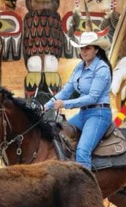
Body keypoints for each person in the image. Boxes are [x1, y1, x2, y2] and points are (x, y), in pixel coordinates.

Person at [44, 31, 113, 169]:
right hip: (83, 114)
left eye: (88, 48)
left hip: (99, 114)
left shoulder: (102, 68)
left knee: (82, 151)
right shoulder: (79, 67)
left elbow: (93, 97)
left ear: (96, 49)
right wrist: (46, 105)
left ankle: (85, 187)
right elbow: (66, 90)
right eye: (82, 48)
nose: (84, 51)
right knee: (59, 138)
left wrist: (65, 104)